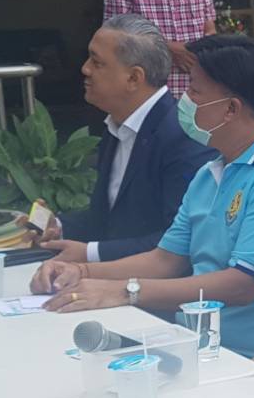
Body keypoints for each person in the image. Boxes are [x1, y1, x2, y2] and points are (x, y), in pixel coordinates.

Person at [31, 35, 254, 358]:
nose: (184, 101)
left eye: (194, 91)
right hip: (192, 341)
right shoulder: (210, 173)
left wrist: (124, 291)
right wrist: (80, 271)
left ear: (230, 109)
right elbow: (165, 260)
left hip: (248, 357)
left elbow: (242, 285)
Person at [35, 15, 215, 263]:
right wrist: (57, 226)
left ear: (133, 78)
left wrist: (90, 255)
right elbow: (111, 218)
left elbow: (181, 242)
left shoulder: (183, 136)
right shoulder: (117, 126)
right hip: (117, 277)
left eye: (97, 62)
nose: (85, 69)